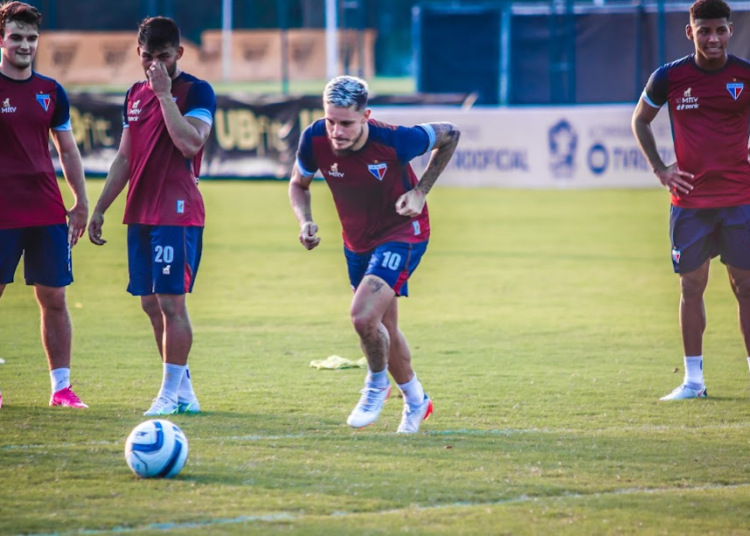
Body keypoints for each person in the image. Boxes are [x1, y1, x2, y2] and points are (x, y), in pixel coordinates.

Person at [289, 76, 460, 432]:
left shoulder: (396, 140)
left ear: (366, 114)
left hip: (403, 233)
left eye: (346, 123)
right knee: (385, 328)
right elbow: (298, 184)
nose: (336, 131)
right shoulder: (314, 138)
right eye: (331, 120)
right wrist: (305, 220)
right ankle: (416, 401)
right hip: (357, 243)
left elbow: (451, 134)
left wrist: (420, 191)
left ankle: (375, 384)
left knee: (363, 318)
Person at [87, 16, 216, 416]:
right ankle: (184, 389)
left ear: (179, 53)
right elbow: (125, 158)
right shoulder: (133, 94)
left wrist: (164, 96)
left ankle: (167, 394)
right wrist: (100, 207)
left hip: (176, 211)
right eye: (147, 57)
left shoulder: (196, 91)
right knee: (148, 302)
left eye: (163, 56)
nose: (154, 64)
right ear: (138, 53)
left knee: (171, 303)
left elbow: (191, 143)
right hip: (140, 211)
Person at [632, 0, 750, 400]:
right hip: (690, 204)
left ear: (729, 30)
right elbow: (640, 120)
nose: (712, 38)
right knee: (691, 288)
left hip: (740, 200)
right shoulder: (670, 77)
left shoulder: (745, 76)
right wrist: (660, 169)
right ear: (690, 33)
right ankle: (694, 382)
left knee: (746, 288)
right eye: (704, 31)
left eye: (719, 30)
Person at [0, 1, 89, 409]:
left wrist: (80, 202)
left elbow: (67, 150)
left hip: (46, 209)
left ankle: (61, 389)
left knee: (54, 298)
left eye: (31, 38)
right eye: (16, 37)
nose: (24, 45)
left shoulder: (51, 91)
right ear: (2, 39)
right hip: (3, 212)